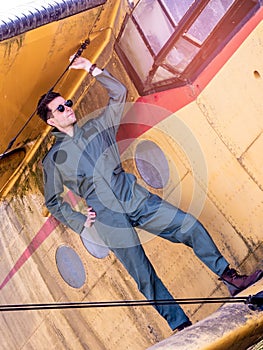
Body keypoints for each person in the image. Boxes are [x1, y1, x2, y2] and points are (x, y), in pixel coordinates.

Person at [37, 56, 263, 332]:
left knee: (187, 225)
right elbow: (53, 202)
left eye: (68, 103)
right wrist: (80, 220)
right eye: (61, 108)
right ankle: (180, 325)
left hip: (135, 197)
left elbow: (119, 94)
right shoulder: (53, 160)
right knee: (144, 275)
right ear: (51, 120)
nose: (68, 109)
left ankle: (231, 279)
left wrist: (90, 68)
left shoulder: (97, 126)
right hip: (108, 220)